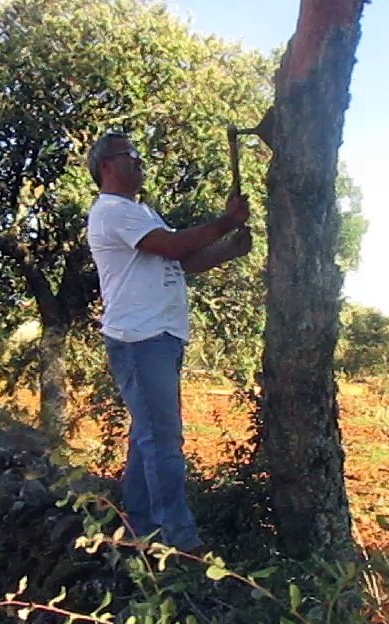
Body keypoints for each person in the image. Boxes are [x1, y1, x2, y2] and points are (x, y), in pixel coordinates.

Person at [85, 131, 252, 553]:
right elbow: (173, 245)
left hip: (159, 336)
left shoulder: (141, 213)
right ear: (107, 166)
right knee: (162, 439)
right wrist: (226, 222)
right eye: (131, 155)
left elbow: (185, 259)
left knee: (149, 436)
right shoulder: (112, 211)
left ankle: (138, 529)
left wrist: (229, 247)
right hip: (141, 338)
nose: (140, 161)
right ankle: (178, 542)